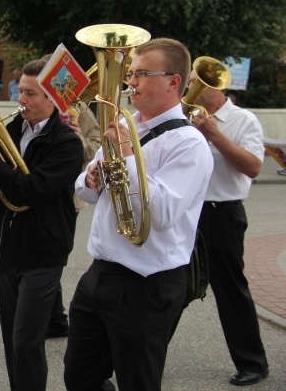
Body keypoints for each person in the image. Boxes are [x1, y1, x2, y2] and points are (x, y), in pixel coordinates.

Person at [63, 38, 214, 391]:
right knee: (79, 377)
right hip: (100, 273)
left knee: (139, 381)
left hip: (147, 283)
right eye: (131, 73)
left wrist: (127, 154)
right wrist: (91, 176)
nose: (130, 82)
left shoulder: (188, 144)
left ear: (173, 81)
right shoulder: (125, 125)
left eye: (142, 74)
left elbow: (161, 212)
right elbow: (84, 191)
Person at [0, 58, 84, 391]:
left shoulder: (67, 143)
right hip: (4, 248)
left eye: (30, 94)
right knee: (10, 341)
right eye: (22, 91)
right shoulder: (11, 130)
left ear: (53, 99)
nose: (21, 100)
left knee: (26, 341)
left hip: (44, 252)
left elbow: (32, 191)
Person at [189, 67, 269, 386]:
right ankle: (145, 354)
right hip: (188, 212)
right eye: (192, 80)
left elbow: (252, 167)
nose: (192, 85)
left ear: (217, 88)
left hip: (222, 213)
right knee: (170, 286)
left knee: (230, 289)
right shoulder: (185, 116)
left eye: (197, 81)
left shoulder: (243, 120)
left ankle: (253, 362)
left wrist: (215, 134)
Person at [47, 101, 101, 339]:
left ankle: (54, 317)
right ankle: (54, 316)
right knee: (44, 254)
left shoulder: (77, 108)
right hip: (41, 187)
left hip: (70, 195)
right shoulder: (36, 103)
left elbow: (97, 146)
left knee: (52, 252)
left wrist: (75, 138)